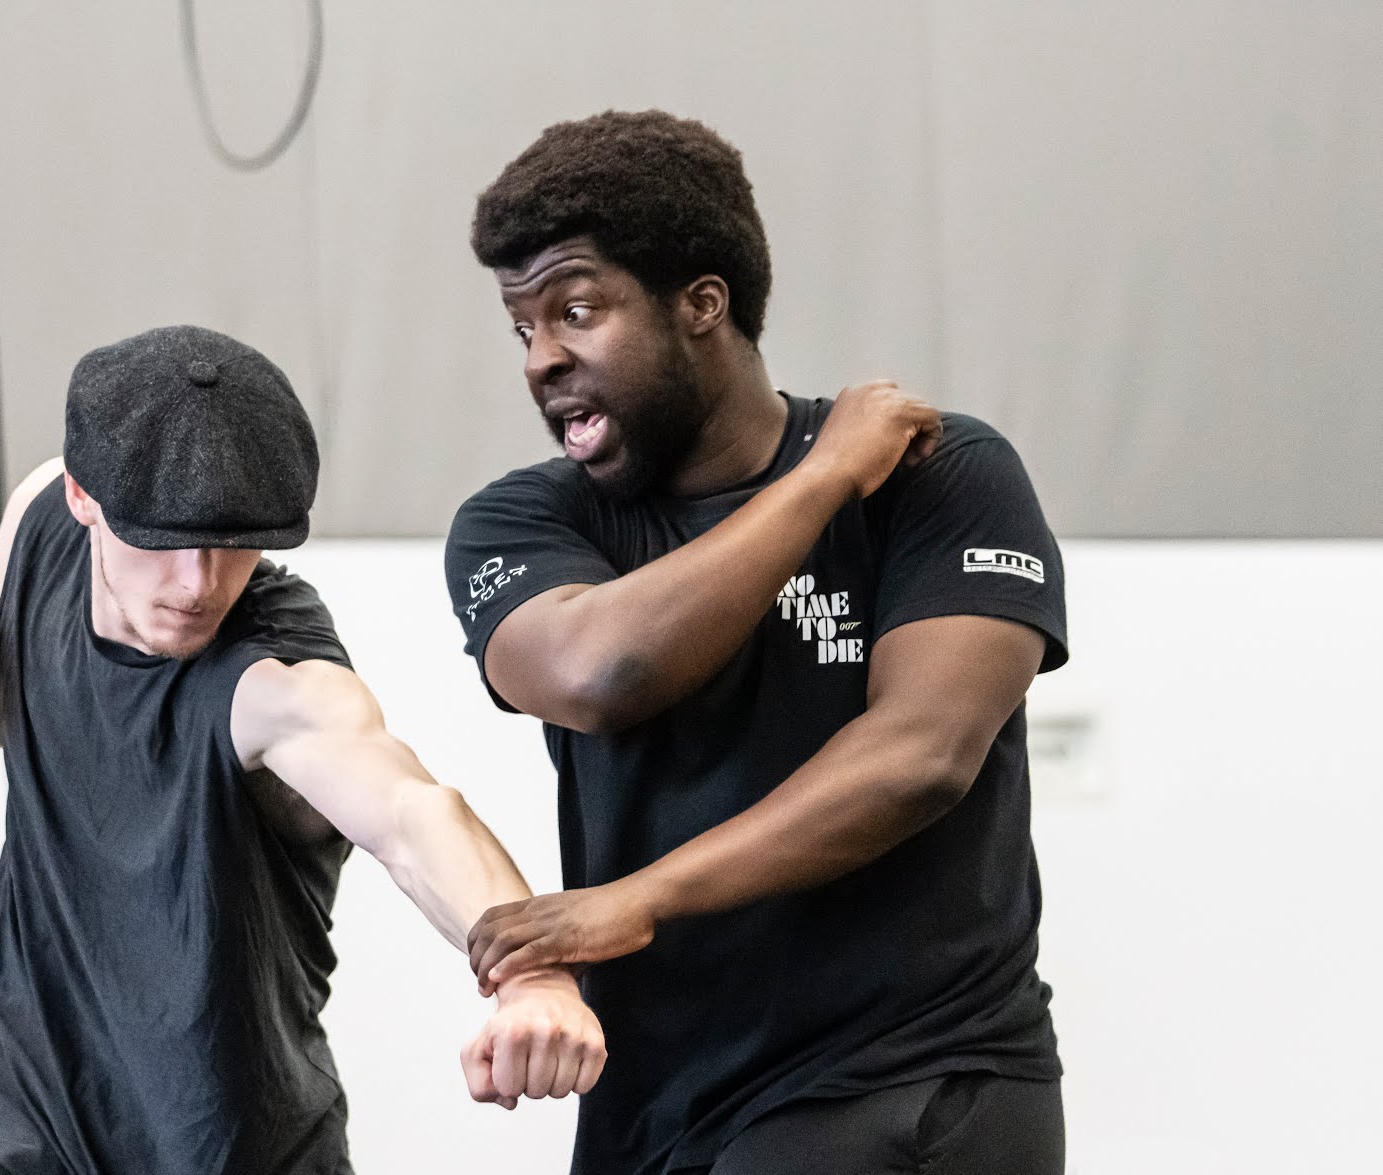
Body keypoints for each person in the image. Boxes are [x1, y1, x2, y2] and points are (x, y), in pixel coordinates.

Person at [443, 110, 1070, 1175]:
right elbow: (602, 672)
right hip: (654, 1104)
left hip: (905, 1081)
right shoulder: (523, 523)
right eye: (523, 328)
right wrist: (820, 479)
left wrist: (642, 894)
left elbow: (918, 757)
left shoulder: (938, 472)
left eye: (576, 310)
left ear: (700, 304)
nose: (542, 360)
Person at [0, 325, 604, 1175]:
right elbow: (26, 715)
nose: (197, 583)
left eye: (233, 542)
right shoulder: (37, 520)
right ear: (84, 497)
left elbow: (410, 815)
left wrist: (534, 976)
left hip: (224, 1132)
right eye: (164, 540)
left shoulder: (274, 678)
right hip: (5, 1087)